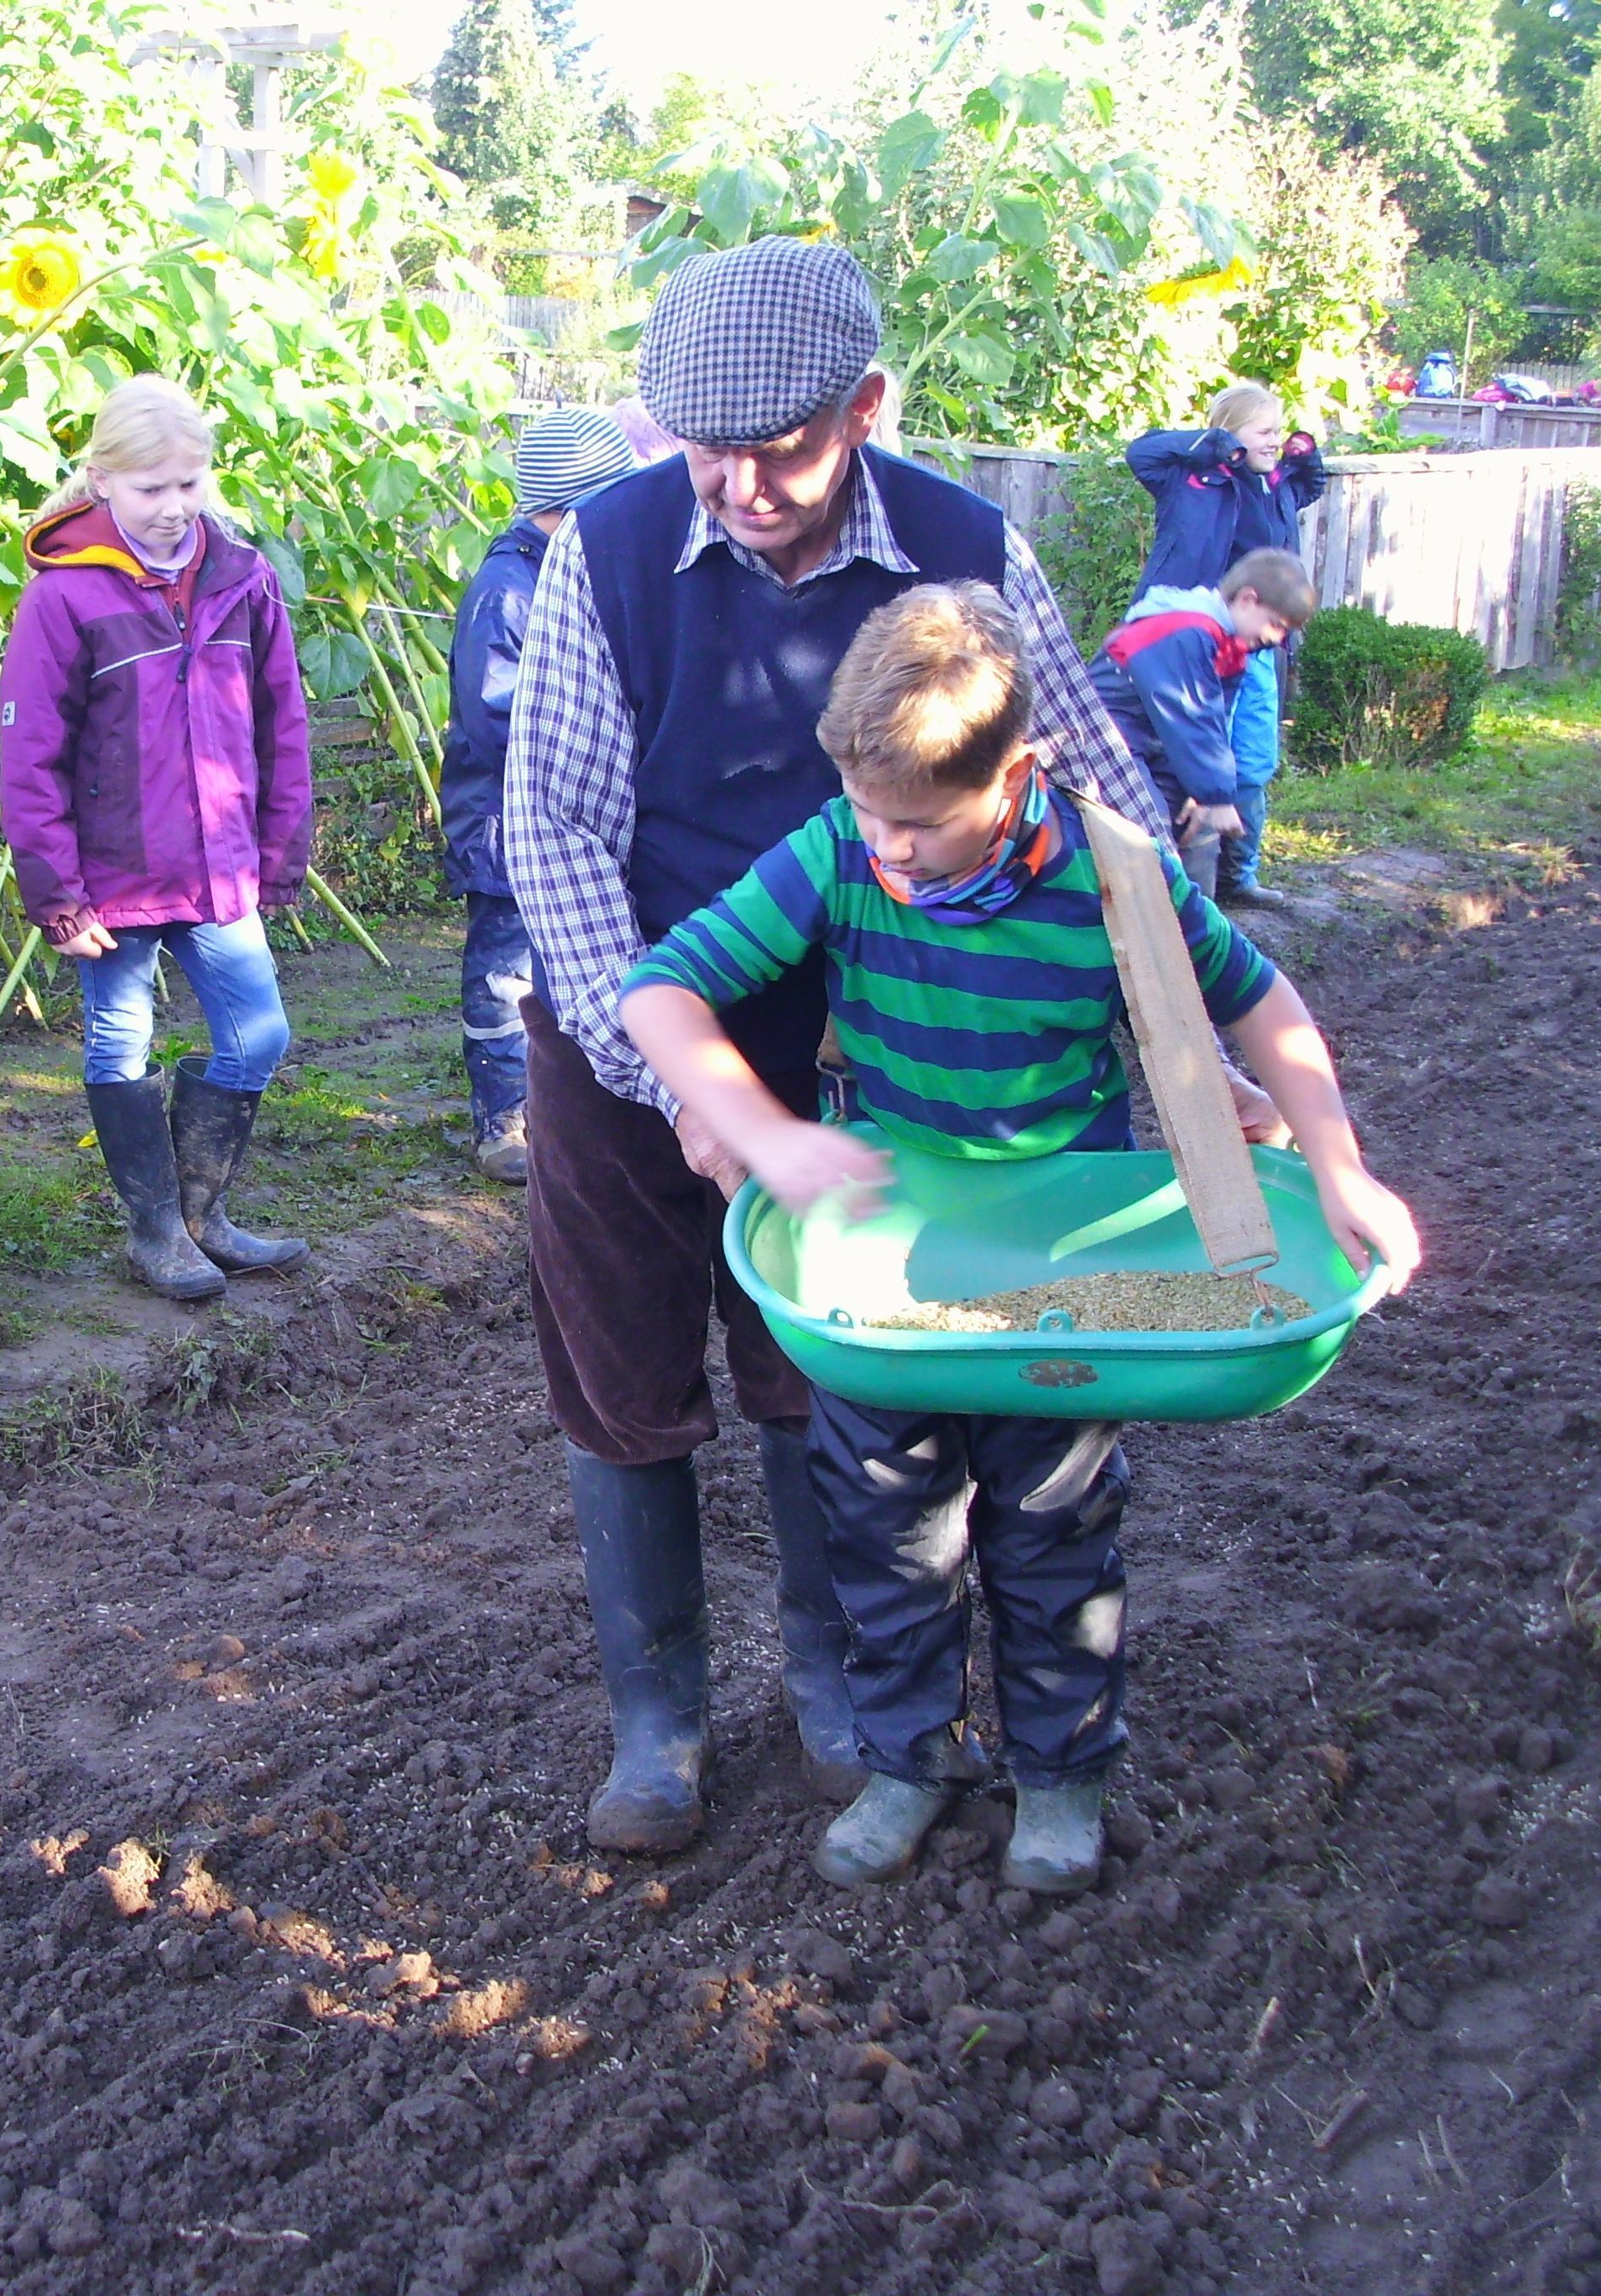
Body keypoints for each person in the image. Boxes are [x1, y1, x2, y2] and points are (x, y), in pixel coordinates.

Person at [503, 235, 1278, 1858]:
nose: (738, 486)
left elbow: (1100, 799)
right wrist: (680, 1088)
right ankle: (657, 1724)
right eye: (705, 451)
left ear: (862, 407)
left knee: (833, 1363)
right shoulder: (611, 551)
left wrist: (1177, 1034)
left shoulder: (962, 548)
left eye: (776, 449)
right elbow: (555, 831)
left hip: (871, 1030)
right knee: (621, 1368)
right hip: (633, 1003)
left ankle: (838, 1692)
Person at [620, 582, 1421, 1893]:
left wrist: (1340, 1168)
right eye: (869, 811)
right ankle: (910, 1761)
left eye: (921, 824)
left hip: (1068, 1266)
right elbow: (661, 989)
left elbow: (1262, 1004)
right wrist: (762, 1134)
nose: (889, 847)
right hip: (887, 1266)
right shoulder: (835, 851)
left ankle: (1061, 1776)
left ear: (1017, 774)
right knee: (885, 1534)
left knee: (1055, 1532)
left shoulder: (1116, 872)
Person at [0, 377, 315, 1302]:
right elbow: (31, 754)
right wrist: (58, 894)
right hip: (112, 879)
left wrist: (278, 850)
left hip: (219, 867)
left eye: (189, 483)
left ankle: (202, 1217)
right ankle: (155, 1233)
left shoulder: (243, 577)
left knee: (259, 1035)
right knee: (120, 1044)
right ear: (102, 481)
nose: (174, 506)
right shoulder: (64, 597)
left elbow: (282, 721)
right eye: (150, 489)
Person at [441, 409, 639, 1183]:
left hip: (562, 815)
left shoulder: (573, 576)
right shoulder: (507, 592)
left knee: (568, 963)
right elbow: (499, 719)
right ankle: (502, 1118)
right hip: (505, 824)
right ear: (574, 506)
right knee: (506, 972)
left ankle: (558, 1108)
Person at [1125, 385, 1326, 905]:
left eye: (1278, 431)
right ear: (1230, 433)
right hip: (1192, 639)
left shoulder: (1275, 485)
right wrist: (1216, 446)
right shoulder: (1193, 478)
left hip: (1251, 646)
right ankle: (1179, 891)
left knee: (1251, 762)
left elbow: (1312, 483)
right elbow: (1141, 452)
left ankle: (1237, 879)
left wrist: (1304, 452)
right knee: (1182, 756)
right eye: (1264, 432)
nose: (1275, 441)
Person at [1088, 549, 1319, 900]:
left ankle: (1195, 927)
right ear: (1247, 599)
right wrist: (1216, 794)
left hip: (1154, 740)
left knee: (1198, 827)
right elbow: (1190, 716)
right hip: (1103, 736)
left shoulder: (1231, 649)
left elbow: (1214, 724)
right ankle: (1137, 923)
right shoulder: (1186, 629)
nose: (1276, 639)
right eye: (1276, 624)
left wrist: (1201, 794)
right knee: (1145, 830)